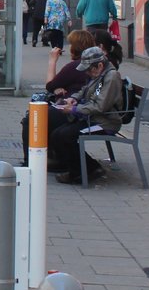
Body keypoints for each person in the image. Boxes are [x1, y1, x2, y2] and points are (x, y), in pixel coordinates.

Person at [20, 30, 96, 167]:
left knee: (32, 119)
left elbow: (50, 85)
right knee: (47, 119)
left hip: (74, 109)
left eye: (70, 44)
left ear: (75, 47)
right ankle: (52, 157)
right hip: (76, 106)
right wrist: (57, 89)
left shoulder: (76, 66)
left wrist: (52, 61)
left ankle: (30, 162)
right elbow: (55, 87)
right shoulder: (84, 64)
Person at [48, 45, 122, 184]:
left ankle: (84, 171)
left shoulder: (110, 77)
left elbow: (100, 106)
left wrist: (74, 110)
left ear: (99, 65)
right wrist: (74, 98)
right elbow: (85, 90)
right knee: (57, 134)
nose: (87, 73)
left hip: (104, 122)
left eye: (89, 70)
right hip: (94, 118)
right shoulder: (100, 74)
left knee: (65, 136)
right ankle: (86, 168)